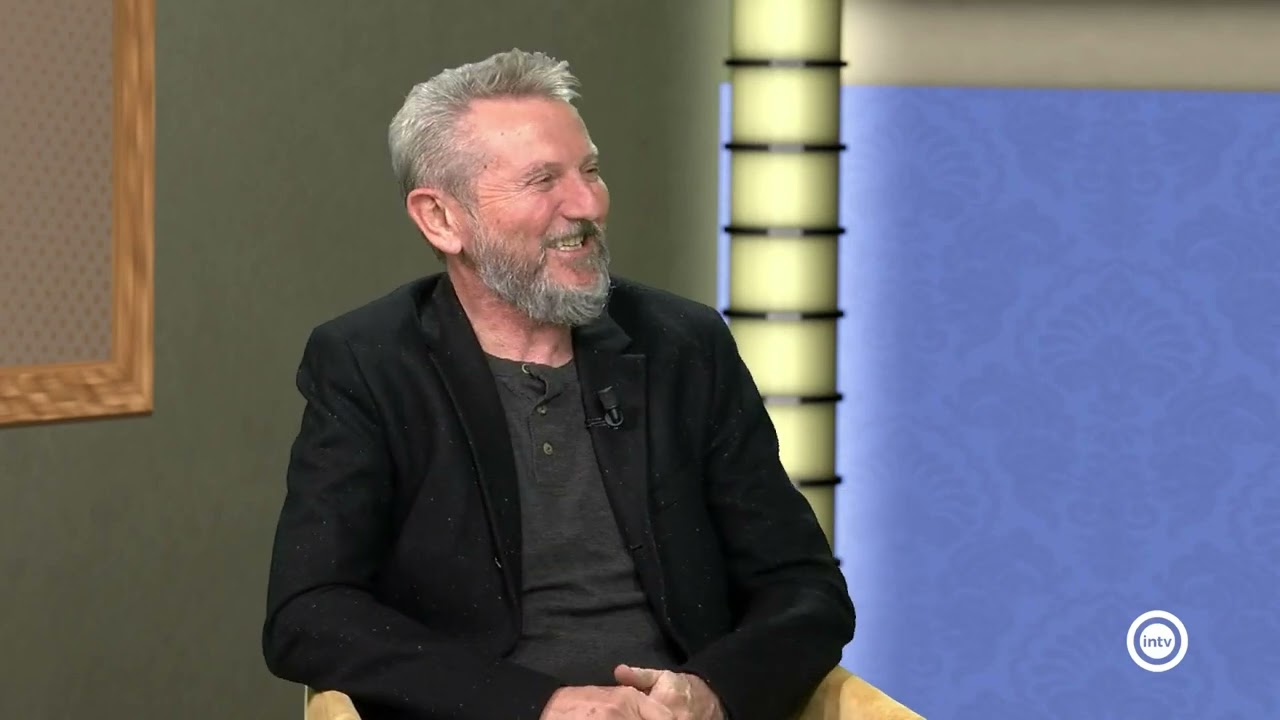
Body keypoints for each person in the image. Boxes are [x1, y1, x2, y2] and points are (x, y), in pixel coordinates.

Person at [262, 48, 855, 720]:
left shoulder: (683, 345)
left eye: (590, 170)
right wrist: (539, 705)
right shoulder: (369, 363)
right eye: (543, 180)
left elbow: (805, 588)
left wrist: (710, 691)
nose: (588, 203)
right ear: (441, 219)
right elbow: (309, 614)